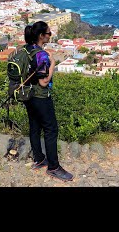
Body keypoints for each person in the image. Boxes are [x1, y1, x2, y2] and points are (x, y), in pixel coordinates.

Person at [23, 21, 74, 182]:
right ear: (41, 36)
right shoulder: (41, 55)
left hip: (28, 95)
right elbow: (44, 82)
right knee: (51, 129)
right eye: (49, 33)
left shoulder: (25, 50)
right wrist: (52, 64)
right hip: (40, 96)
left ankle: (39, 158)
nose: (50, 35)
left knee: (34, 126)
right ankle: (53, 167)